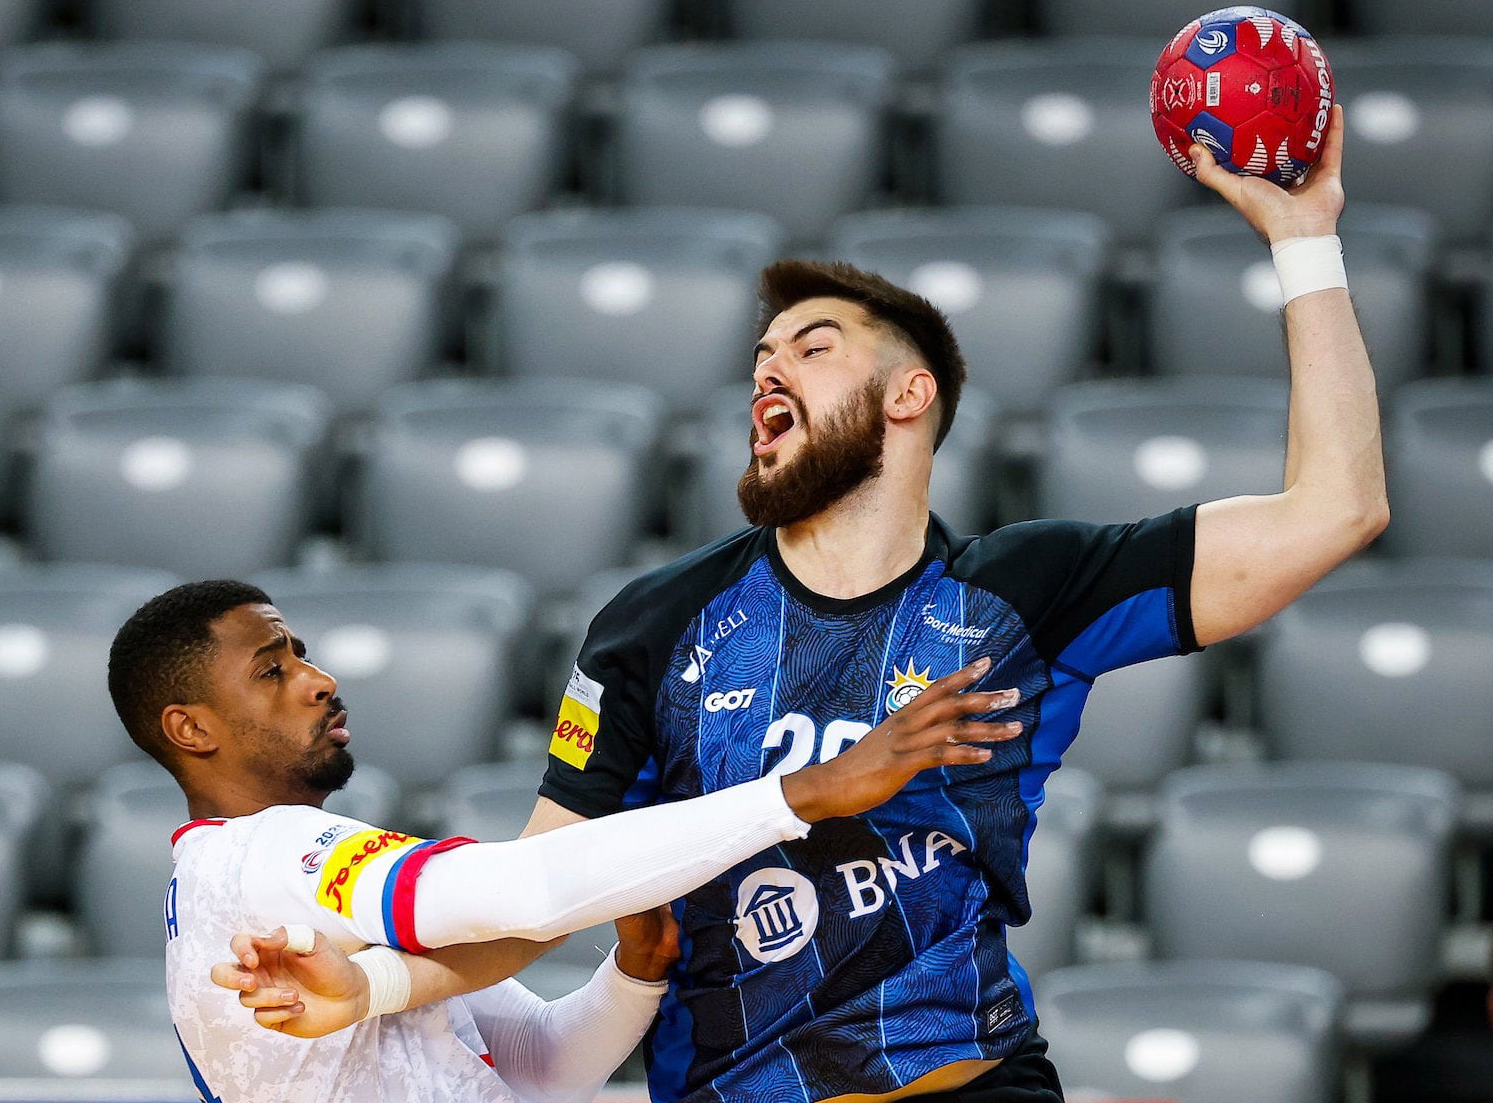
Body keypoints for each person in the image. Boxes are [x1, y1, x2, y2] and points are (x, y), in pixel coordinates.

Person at [228, 106, 1383, 1102]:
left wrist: (1303, 240)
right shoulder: (655, 624)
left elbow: (1336, 509)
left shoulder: (1027, 590)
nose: (767, 371)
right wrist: (376, 984)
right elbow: (536, 898)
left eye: (812, 348)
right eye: (760, 358)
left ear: (909, 394)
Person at [110, 579, 1022, 1103]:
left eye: (302, 651)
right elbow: (526, 893)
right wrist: (805, 793)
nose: (318, 678)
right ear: (192, 730)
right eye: (274, 669)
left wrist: (635, 974)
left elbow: (537, 1070)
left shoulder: (252, 885)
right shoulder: (263, 859)